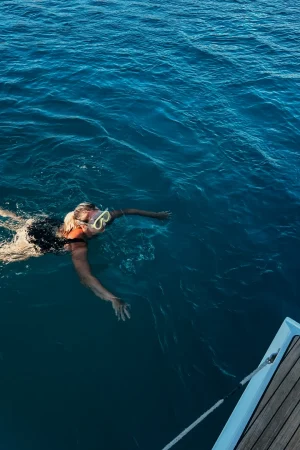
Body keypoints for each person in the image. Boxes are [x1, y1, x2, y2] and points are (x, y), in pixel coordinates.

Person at [0, 204, 171, 320]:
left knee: (23, 223)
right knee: (9, 254)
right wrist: (112, 298)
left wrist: (156, 215)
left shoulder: (102, 219)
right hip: (40, 240)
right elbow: (85, 277)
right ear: (83, 226)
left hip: (46, 223)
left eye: (103, 216)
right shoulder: (78, 243)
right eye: (98, 222)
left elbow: (128, 210)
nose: (104, 223)